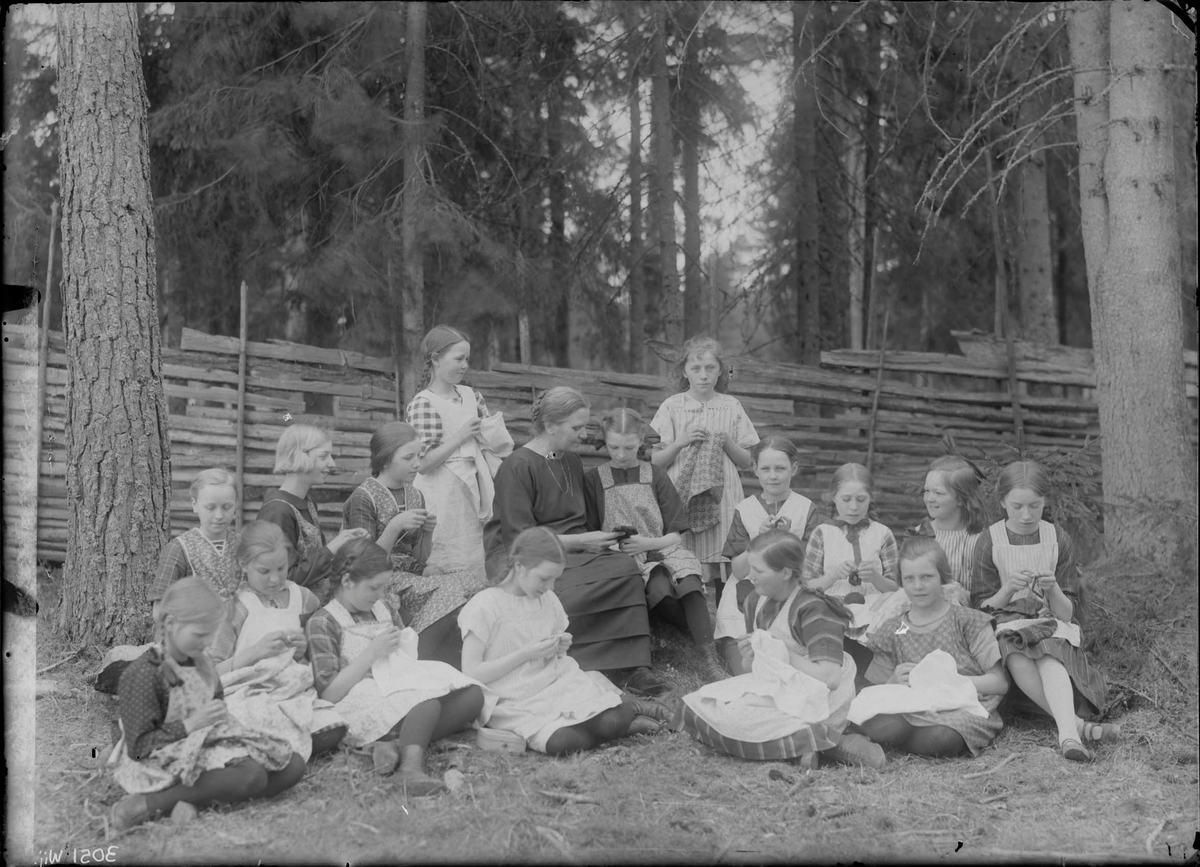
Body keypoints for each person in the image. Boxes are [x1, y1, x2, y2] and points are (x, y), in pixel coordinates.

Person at [485, 386, 669, 697]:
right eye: (576, 427)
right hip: (525, 557)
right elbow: (521, 539)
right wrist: (583, 541)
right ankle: (579, 659)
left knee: (624, 568)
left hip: (573, 549)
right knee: (586, 582)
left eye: (584, 426)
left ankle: (634, 665)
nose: (584, 435)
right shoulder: (516, 467)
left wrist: (606, 539)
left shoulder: (567, 460)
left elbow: (580, 519)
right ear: (550, 425)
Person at [107, 577, 305, 832]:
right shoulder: (144, 674)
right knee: (251, 775)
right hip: (159, 759)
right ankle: (146, 803)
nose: (207, 643)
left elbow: (215, 709)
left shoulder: (201, 663)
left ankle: (193, 800)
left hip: (202, 746)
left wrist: (223, 723)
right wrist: (191, 724)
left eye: (211, 635)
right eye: (200, 635)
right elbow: (139, 748)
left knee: (292, 765)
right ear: (170, 624)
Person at [674, 530, 883, 769]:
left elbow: (831, 679)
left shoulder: (815, 609)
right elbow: (750, 669)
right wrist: (750, 655)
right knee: (698, 704)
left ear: (785, 572)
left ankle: (832, 741)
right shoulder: (755, 600)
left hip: (818, 694)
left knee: (743, 721)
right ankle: (807, 744)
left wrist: (783, 652)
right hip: (778, 687)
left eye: (759, 571)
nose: (750, 576)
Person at [304, 538, 491, 793]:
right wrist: (371, 654)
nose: (380, 595)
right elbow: (329, 693)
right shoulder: (323, 622)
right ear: (347, 581)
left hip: (395, 684)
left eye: (383, 588)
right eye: (374, 588)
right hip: (358, 696)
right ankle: (409, 769)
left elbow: (403, 654)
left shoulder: (383, 608)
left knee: (472, 694)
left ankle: (393, 744)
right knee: (425, 704)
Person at [460, 528, 667, 755]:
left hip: (555, 684)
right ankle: (615, 720)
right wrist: (526, 654)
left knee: (611, 722)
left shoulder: (546, 598)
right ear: (519, 566)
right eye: (544, 578)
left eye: (555, 580)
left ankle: (619, 716)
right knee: (563, 742)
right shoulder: (485, 605)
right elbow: (471, 673)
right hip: (514, 700)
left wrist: (558, 646)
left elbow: (553, 651)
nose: (550, 587)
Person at [971, 461, 1115, 763]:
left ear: (1044, 502)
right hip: (1006, 624)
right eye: (1017, 506)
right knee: (1014, 644)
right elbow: (981, 608)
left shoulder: (1057, 538)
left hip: (1049, 623)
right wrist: (1008, 588)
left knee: (1048, 647)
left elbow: (1066, 612)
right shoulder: (990, 540)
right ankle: (1073, 727)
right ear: (1002, 503)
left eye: (1034, 506)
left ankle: (1069, 735)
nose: (1026, 515)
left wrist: (1052, 590)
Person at [584, 408, 724, 682]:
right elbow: (590, 533)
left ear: (641, 442)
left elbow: (675, 534)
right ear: (605, 441)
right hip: (620, 555)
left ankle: (710, 661)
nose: (621, 455)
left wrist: (648, 543)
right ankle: (675, 634)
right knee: (660, 588)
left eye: (629, 447)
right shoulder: (593, 479)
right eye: (613, 447)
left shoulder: (655, 475)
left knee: (690, 583)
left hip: (661, 545)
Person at [343, 421, 487, 667]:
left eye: (419, 456)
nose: (417, 464)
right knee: (450, 593)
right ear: (385, 459)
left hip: (410, 574)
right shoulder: (363, 497)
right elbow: (362, 561)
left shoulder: (414, 494)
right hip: (380, 577)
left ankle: (453, 659)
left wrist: (427, 534)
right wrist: (395, 526)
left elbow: (419, 558)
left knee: (474, 583)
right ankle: (412, 655)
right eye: (408, 457)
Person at [855, 536, 1008, 757]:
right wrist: (893, 682)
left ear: (942, 578)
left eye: (927, 577)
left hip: (959, 708)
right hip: (912, 705)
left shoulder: (966, 621)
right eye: (909, 579)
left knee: (937, 739)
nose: (917, 586)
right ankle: (900, 736)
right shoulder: (899, 628)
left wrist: (947, 680)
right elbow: (874, 690)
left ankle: (910, 741)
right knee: (880, 724)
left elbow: (999, 683)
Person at [96, 468, 244, 694]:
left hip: (239, 632)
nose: (219, 515)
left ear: (236, 505)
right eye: (210, 507)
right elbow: (160, 613)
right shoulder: (179, 549)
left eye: (227, 507)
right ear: (194, 505)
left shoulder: (241, 546)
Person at [209, 521, 347, 760]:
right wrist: (253, 654)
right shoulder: (235, 606)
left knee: (334, 728)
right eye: (264, 571)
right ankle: (273, 743)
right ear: (244, 564)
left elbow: (324, 653)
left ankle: (270, 744)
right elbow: (210, 671)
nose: (275, 579)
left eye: (281, 569)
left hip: (294, 692)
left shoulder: (303, 599)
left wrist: (304, 651)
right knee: (250, 717)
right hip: (249, 692)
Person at [650, 335, 758, 603]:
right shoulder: (672, 407)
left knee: (725, 555)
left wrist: (727, 441)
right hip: (682, 496)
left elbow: (746, 461)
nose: (703, 375)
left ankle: (725, 617)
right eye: (696, 369)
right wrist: (680, 442)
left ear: (721, 370)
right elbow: (655, 461)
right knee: (684, 558)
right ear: (684, 371)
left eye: (710, 368)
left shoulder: (731, 406)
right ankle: (688, 619)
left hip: (723, 497)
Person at [714, 436, 823, 676]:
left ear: (793, 469)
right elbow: (739, 571)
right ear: (755, 469)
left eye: (780, 468)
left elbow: (810, 567)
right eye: (765, 469)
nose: (773, 476)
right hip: (744, 595)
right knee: (747, 673)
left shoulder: (805, 509)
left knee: (786, 667)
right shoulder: (745, 510)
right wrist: (757, 542)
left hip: (788, 594)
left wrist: (785, 543)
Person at [406, 325, 501, 581]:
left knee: (475, 559)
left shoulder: (472, 396)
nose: (464, 365)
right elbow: (423, 464)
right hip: (442, 495)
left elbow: (492, 443)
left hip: (474, 489)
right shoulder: (424, 403)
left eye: (466, 359)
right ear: (436, 359)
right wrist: (460, 437)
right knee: (446, 561)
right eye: (458, 358)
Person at [801, 463, 901, 684]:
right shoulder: (823, 533)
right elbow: (807, 586)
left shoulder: (883, 534)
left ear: (871, 499)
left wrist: (875, 577)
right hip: (834, 612)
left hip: (874, 616)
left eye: (861, 500)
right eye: (846, 500)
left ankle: (869, 686)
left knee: (871, 661)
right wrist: (834, 575)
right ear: (832, 497)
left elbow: (898, 589)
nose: (853, 507)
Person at [258, 424, 367, 600]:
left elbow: (314, 564)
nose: (332, 464)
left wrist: (344, 544)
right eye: (324, 456)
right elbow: (283, 579)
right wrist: (331, 549)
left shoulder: (308, 502)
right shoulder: (278, 511)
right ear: (299, 456)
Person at [910, 456, 989, 605]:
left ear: (961, 498)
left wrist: (956, 594)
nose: (929, 499)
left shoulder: (982, 539)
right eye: (927, 491)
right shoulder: (920, 535)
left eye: (938, 493)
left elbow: (987, 596)